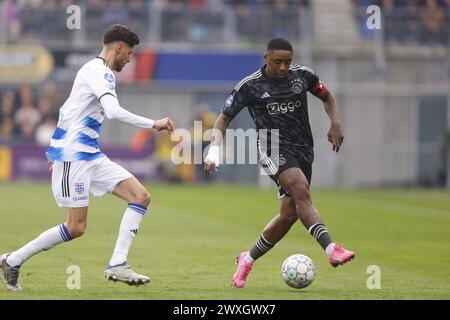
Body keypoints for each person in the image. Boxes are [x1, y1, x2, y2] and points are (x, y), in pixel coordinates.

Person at [1, 24, 175, 291]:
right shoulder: (100, 72)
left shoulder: (92, 71)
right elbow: (113, 112)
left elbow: (67, 109)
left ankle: (118, 263)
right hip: (77, 157)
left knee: (140, 196)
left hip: (89, 154)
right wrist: (154, 123)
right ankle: (13, 260)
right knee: (76, 227)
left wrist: (57, 145)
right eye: (129, 53)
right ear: (118, 47)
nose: (130, 59)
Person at [204, 38, 355, 288]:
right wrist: (213, 151)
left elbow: (328, 97)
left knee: (289, 214)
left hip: (303, 149)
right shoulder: (249, 86)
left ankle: (247, 258)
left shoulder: (303, 76)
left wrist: (336, 122)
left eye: (287, 62)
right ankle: (331, 248)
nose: (283, 67)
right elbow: (223, 119)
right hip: (271, 146)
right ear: (265, 58)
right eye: (277, 62)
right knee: (300, 189)